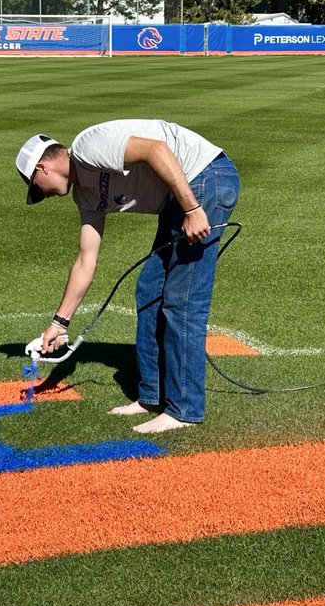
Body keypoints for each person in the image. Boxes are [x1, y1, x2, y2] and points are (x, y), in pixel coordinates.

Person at [15, 120, 239, 433]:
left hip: (205, 179)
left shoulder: (87, 147)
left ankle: (184, 409)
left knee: (182, 298)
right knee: (149, 291)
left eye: (37, 189)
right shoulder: (85, 196)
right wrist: (60, 324)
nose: (45, 196)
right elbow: (85, 259)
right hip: (177, 200)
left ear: (42, 168)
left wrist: (191, 208)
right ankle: (152, 395)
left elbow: (155, 149)